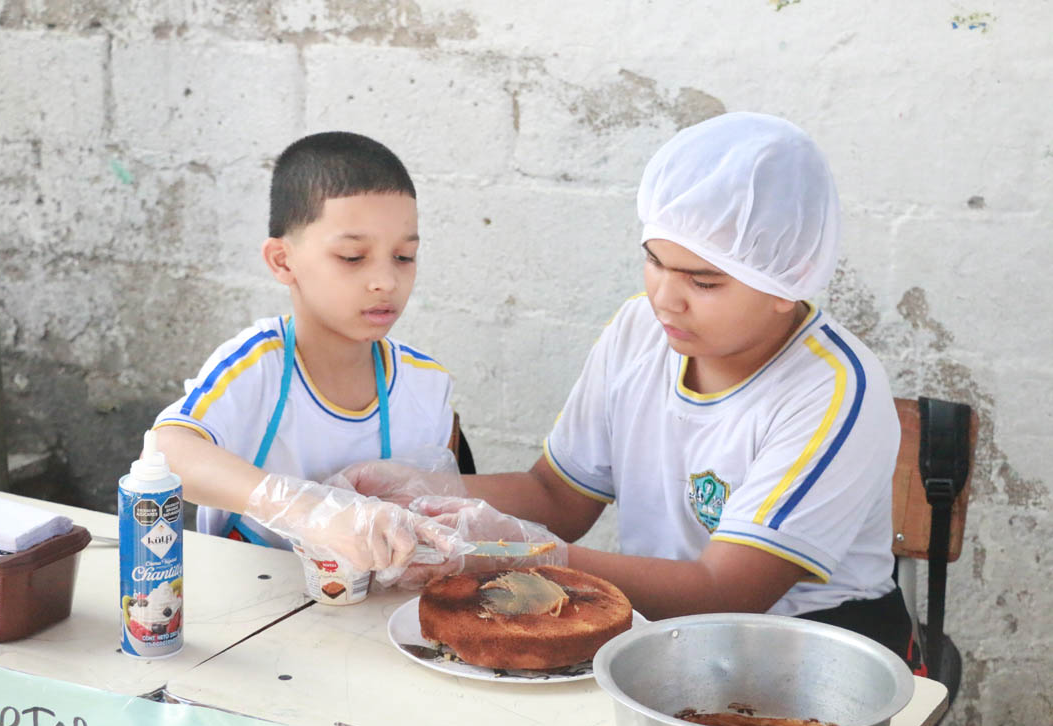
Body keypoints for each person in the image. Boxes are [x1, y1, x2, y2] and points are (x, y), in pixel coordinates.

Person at [344, 112, 916, 662]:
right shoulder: (640, 330)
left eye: (704, 280)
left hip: (803, 651)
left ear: (785, 285)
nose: (667, 296)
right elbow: (557, 498)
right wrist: (427, 489)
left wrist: (528, 554)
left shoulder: (832, 390)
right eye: (655, 261)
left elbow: (727, 592)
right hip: (663, 631)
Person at [150, 131, 466, 582]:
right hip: (252, 619)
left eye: (403, 256)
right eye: (353, 257)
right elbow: (168, 451)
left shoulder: (426, 385)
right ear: (283, 261)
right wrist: (305, 507)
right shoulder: (259, 365)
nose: (386, 281)